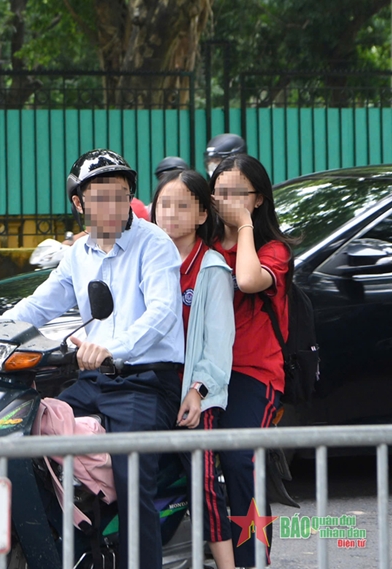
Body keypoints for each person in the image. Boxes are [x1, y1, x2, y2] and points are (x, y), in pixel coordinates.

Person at [0, 149, 184, 569]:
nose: (113, 206)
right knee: (26, 436)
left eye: (120, 195)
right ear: (79, 203)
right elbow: (36, 307)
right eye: (101, 197)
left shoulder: (154, 244)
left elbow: (162, 313)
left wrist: (115, 347)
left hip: (146, 380)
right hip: (94, 379)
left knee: (132, 479)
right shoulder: (78, 255)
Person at [150, 169, 236, 569]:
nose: (169, 213)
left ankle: (226, 563)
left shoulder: (212, 269)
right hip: (151, 387)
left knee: (203, 481)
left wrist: (197, 392)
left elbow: (218, 346)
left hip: (193, 393)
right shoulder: (148, 259)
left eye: (182, 205)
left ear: (202, 214)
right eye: (164, 204)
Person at [211, 153, 293, 567]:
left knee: (241, 460)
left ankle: (253, 560)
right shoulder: (202, 245)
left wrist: (243, 226)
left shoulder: (274, 251)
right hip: (204, 372)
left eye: (235, 193)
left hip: (253, 374)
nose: (223, 200)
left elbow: (247, 279)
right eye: (218, 192)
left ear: (258, 198)